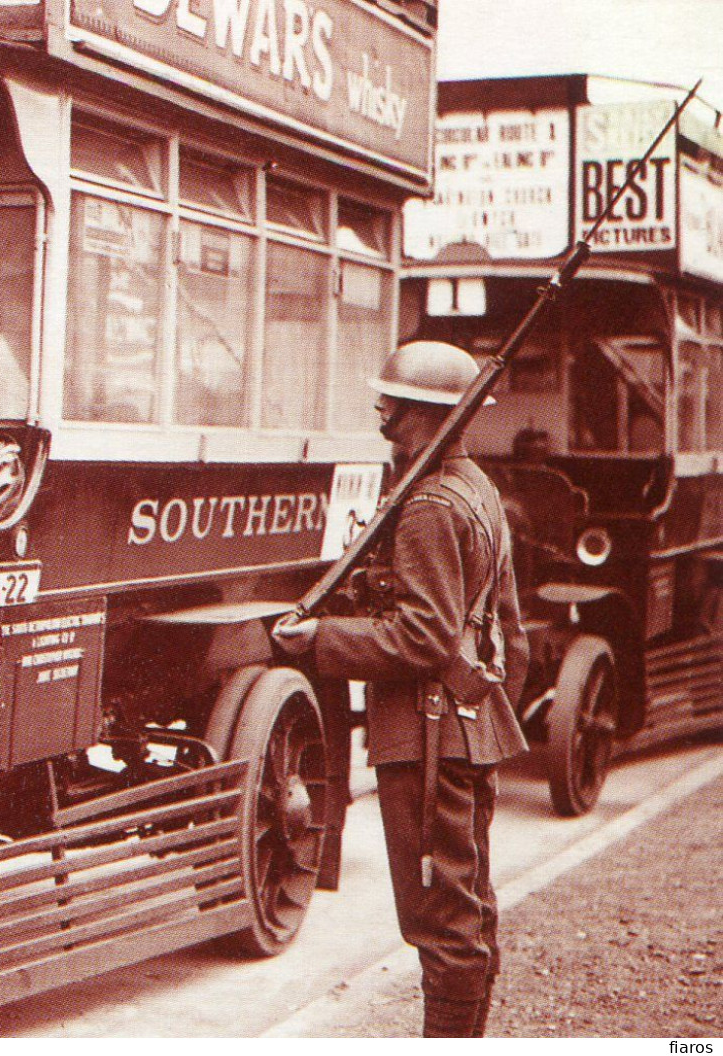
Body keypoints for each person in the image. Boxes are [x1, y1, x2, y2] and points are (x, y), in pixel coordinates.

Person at [272, 340, 529, 1038]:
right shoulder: (476, 490)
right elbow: (512, 634)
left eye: (390, 402)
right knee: (466, 905)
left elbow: (421, 639)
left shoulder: (427, 506)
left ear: (422, 414)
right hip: (463, 729)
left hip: (426, 735)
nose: (380, 411)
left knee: (438, 919)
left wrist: (321, 641)